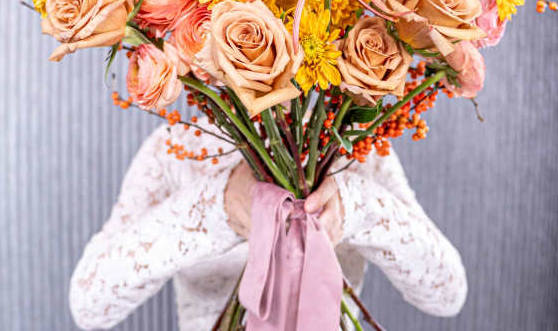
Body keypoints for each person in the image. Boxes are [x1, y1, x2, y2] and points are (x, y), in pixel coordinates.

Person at [69, 117, 467, 330]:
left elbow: (447, 294)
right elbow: (89, 305)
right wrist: (216, 207)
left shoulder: (355, 146)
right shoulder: (178, 148)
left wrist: (358, 208)